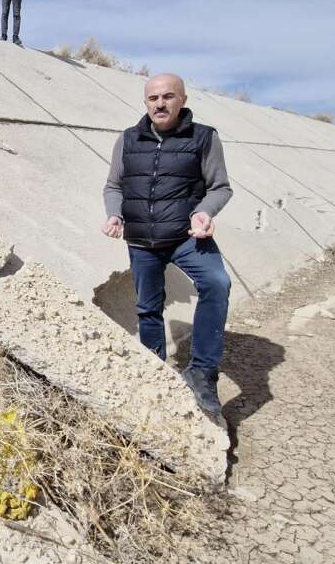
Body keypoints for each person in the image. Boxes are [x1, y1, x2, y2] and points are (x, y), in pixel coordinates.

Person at [101, 73, 234, 416]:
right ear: (145, 103)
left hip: (186, 236)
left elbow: (220, 187)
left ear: (183, 100)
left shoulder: (204, 138)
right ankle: (154, 371)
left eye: (168, 96)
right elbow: (114, 186)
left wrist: (204, 213)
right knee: (148, 308)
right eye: (153, 98)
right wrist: (115, 214)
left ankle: (202, 372)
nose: (160, 103)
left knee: (217, 283)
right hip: (142, 240)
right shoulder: (128, 140)